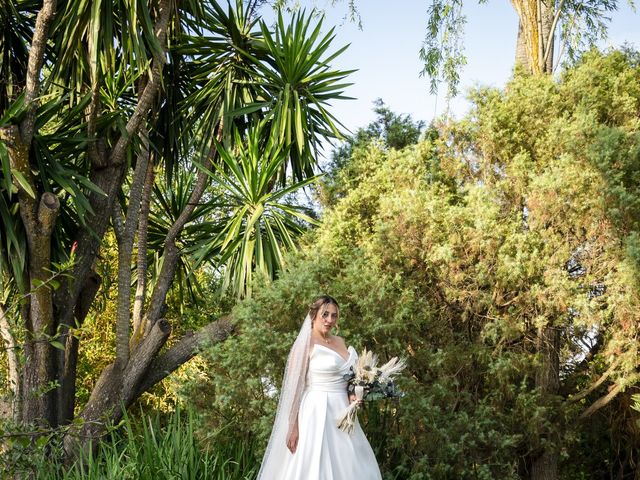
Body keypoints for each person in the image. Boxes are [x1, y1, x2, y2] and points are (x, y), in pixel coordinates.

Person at [258, 295, 382, 480]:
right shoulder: (304, 344)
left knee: (350, 463)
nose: (330, 320)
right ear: (314, 315)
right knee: (315, 464)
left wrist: (353, 394)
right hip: (316, 412)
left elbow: (348, 378)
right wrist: (293, 426)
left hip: (343, 412)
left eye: (334, 316)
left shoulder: (340, 341)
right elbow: (294, 388)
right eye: (325, 314)